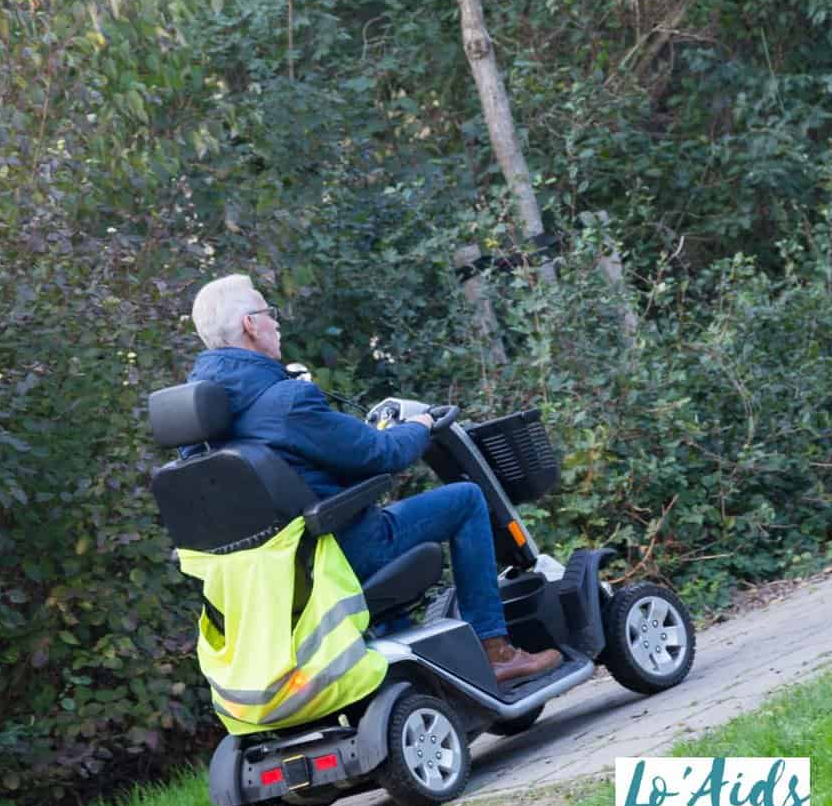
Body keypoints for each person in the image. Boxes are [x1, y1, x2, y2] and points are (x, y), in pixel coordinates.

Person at [186, 274, 561, 683]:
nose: (277, 323)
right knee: (466, 498)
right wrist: (419, 425)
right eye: (268, 313)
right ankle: (496, 650)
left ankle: (412, 669)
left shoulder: (200, 432)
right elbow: (380, 454)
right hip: (343, 552)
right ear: (250, 325)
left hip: (278, 578)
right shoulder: (287, 402)